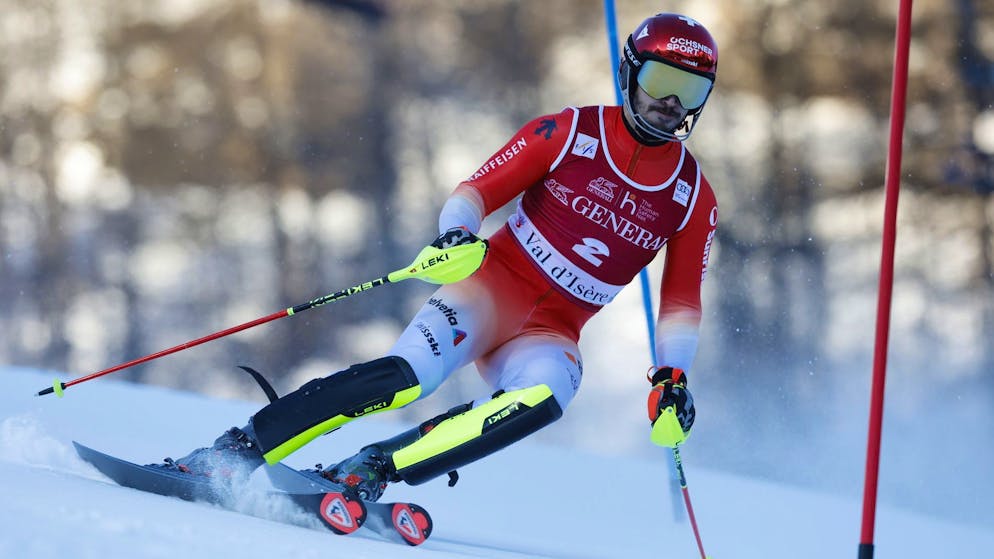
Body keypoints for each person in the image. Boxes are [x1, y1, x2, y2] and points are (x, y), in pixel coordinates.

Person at [163, 12, 719, 504]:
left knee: (548, 394)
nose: (671, 101)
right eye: (661, 80)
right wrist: (456, 234)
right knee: (409, 379)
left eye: (690, 90)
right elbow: (475, 192)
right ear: (630, 72)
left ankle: (373, 467)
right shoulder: (570, 132)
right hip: (489, 291)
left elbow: (681, 302)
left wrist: (672, 380)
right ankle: (235, 451)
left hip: (554, 330)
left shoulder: (693, 196)